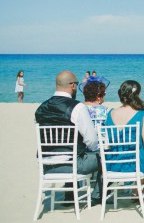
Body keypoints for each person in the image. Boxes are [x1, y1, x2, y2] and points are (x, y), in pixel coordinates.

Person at [34, 71, 102, 204]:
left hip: (47, 166)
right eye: (76, 84)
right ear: (72, 86)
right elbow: (92, 140)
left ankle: (70, 195)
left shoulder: (41, 109)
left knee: (69, 151)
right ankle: (97, 195)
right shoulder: (77, 107)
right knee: (105, 155)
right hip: (73, 164)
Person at [105, 80, 144, 198]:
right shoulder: (141, 114)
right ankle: (140, 191)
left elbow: (108, 145)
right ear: (137, 95)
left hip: (113, 163)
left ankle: (138, 191)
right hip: (133, 164)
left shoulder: (110, 114)